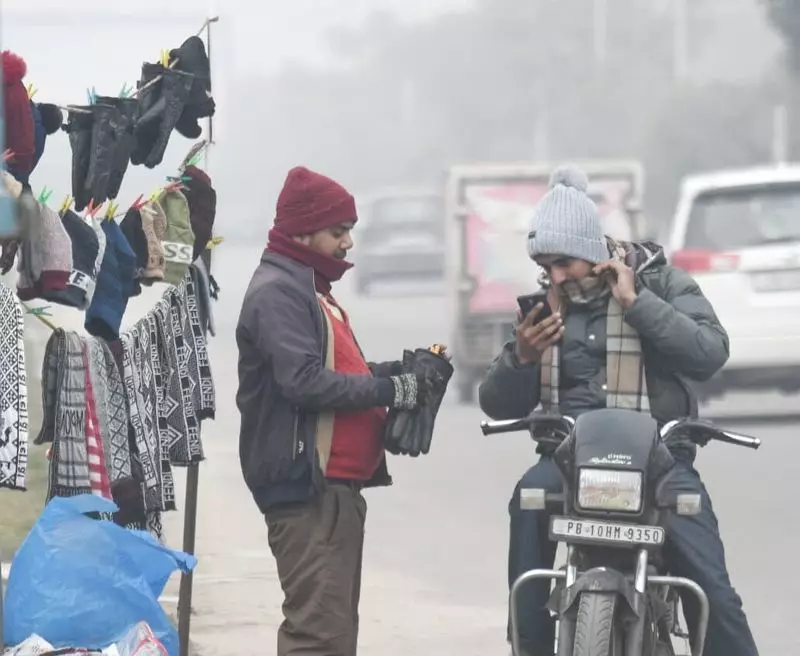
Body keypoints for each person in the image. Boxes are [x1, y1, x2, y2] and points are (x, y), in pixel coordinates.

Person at [479, 165, 759, 656]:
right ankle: (531, 646)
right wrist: (520, 358)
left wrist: (637, 304)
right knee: (528, 503)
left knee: (711, 587)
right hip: (567, 463)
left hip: (660, 462)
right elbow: (497, 402)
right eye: (545, 265)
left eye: (564, 262)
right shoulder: (543, 308)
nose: (555, 276)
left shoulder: (661, 284)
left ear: (592, 249)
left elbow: (709, 354)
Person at [236, 166, 432, 656]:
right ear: (303, 231)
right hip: (308, 492)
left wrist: (403, 373)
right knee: (318, 638)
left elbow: (339, 370)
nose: (348, 243)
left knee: (334, 634)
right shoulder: (278, 293)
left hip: (331, 492)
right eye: (338, 231)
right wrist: (392, 390)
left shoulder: (309, 291)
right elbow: (303, 381)